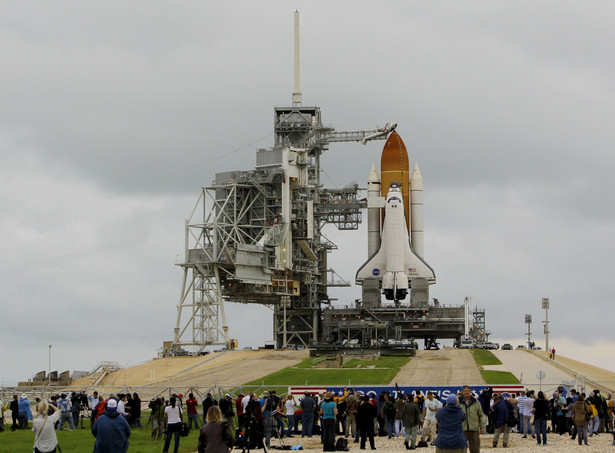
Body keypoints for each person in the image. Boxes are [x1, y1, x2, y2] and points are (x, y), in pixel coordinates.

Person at [459, 385, 485, 453]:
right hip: (462, 429)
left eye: (468, 391)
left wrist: (482, 426)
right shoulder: (458, 402)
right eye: (465, 391)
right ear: (462, 392)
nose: (466, 392)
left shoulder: (476, 402)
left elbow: (481, 414)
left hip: (474, 429)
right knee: (461, 449)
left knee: (475, 448)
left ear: (470, 392)